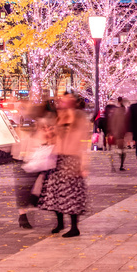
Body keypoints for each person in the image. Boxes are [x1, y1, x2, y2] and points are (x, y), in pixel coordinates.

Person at [39, 94, 89, 238]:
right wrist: (49, 134)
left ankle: (74, 227)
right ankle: (60, 223)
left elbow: (81, 140)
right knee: (55, 193)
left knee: (71, 194)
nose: (61, 102)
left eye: (65, 100)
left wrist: (84, 165)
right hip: (58, 158)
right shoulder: (58, 116)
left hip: (72, 160)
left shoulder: (78, 117)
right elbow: (54, 135)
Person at [106, 97, 129, 171]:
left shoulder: (114, 111)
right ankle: (121, 165)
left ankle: (113, 166)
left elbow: (110, 122)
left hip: (114, 133)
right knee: (121, 151)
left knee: (112, 150)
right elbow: (125, 124)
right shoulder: (123, 112)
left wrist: (110, 132)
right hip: (120, 133)